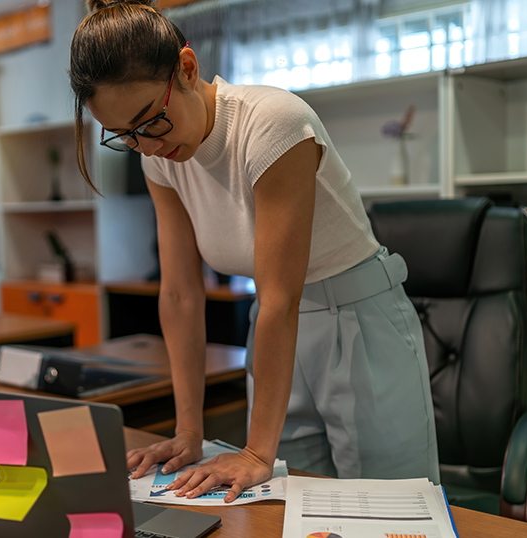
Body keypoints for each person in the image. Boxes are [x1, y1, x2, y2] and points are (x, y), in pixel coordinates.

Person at [69, 0, 440, 503]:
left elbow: (278, 298)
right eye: (125, 137)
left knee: (387, 511)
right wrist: (187, 432)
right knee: (281, 511)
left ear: (186, 67)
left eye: (149, 122)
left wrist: (258, 452)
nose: (148, 147)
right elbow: (179, 294)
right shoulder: (159, 158)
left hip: (358, 323)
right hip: (272, 335)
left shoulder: (272, 123)